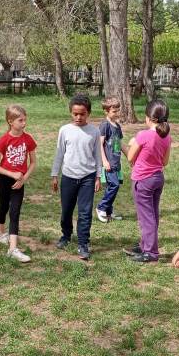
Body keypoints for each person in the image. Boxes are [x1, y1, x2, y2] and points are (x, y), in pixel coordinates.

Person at [51, 94, 102, 261]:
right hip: (68, 176)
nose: (79, 117)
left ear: (88, 113)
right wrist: (54, 174)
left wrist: (98, 176)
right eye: (75, 114)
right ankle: (66, 235)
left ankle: (83, 243)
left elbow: (97, 155)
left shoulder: (94, 131)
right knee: (66, 210)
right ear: (70, 113)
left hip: (88, 177)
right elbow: (59, 153)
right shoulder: (64, 130)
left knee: (85, 212)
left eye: (82, 114)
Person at [124, 100, 172, 263]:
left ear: (148, 118)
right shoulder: (166, 136)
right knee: (152, 214)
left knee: (146, 217)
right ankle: (145, 244)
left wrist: (128, 144)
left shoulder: (143, 135)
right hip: (158, 178)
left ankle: (150, 252)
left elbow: (130, 157)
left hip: (143, 180)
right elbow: (165, 162)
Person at [0, 104, 38, 263]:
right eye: (20, 120)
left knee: (15, 212)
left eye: (25, 120)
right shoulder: (4, 140)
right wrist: (12, 174)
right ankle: (0, 233)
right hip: (5, 180)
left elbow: (33, 162)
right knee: (3, 207)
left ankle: (12, 249)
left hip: (19, 182)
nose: (24, 123)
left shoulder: (28, 139)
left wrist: (23, 179)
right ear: (10, 121)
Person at [96, 97, 127, 223]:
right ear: (106, 111)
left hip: (116, 162)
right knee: (114, 185)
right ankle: (101, 207)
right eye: (114, 111)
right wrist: (104, 161)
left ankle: (109, 212)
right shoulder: (105, 125)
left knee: (112, 186)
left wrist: (129, 156)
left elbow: (119, 143)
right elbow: (99, 144)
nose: (117, 113)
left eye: (118, 110)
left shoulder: (117, 126)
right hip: (108, 163)